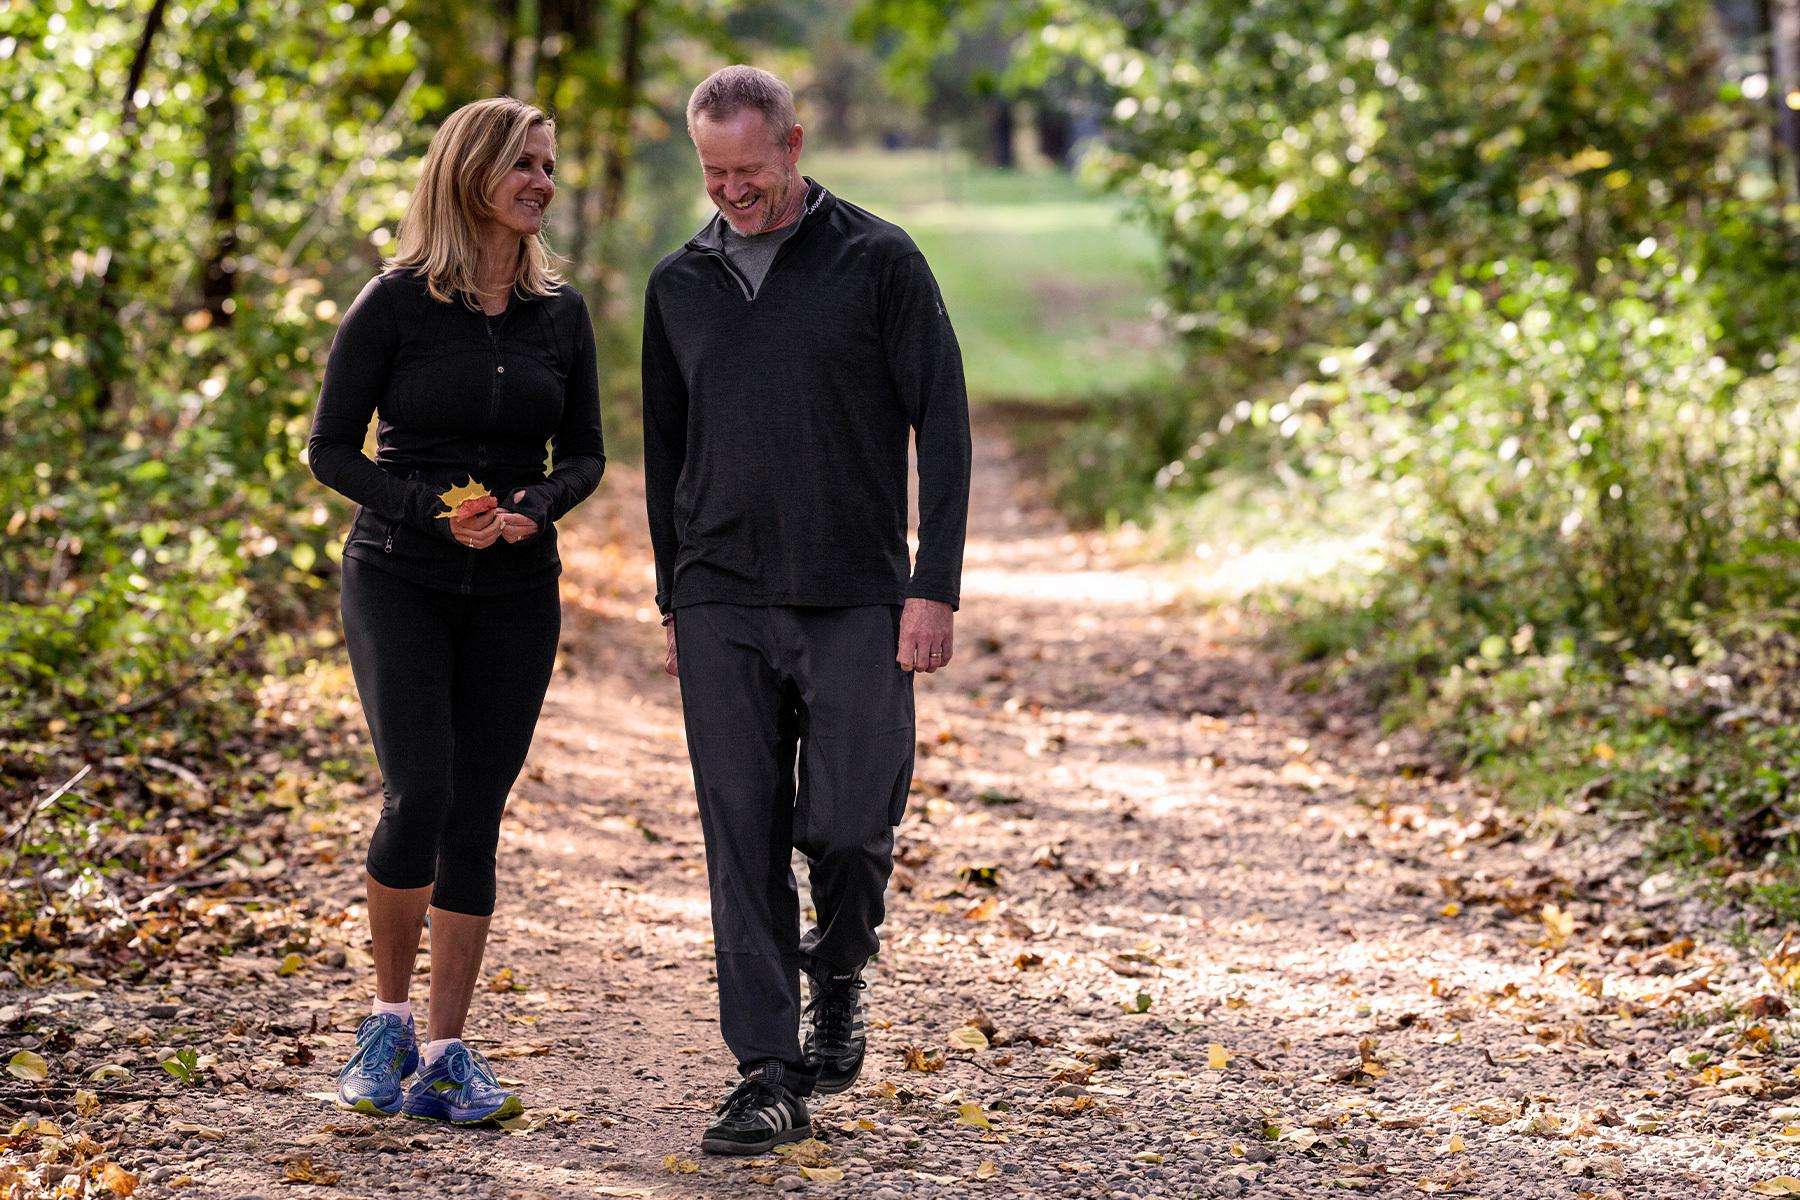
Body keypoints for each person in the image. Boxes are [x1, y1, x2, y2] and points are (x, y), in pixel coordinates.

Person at [641, 65, 971, 1155]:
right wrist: (673, 593)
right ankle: (766, 1073)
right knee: (739, 834)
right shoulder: (679, 285)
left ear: (794, 144)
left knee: (844, 825)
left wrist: (934, 586)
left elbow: (947, 426)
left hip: (857, 592)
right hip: (721, 594)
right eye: (713, 172)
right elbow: (665, 453)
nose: (731, 191)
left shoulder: (879, 261)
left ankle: (840, 970)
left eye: (749, 168)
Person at [307, 97, 603, 1125]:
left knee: (477, 811)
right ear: (468, 171)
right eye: (523, 164)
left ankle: (446, 1054)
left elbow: (589, 454)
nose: (540, 183)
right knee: (419, 793)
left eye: (548, 166)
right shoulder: (393, 304)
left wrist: (537, 506)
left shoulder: (560, 314)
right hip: (400, 576)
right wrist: (436, 511)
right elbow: (331, 448)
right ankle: (384, 1025)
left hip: (518, 591)